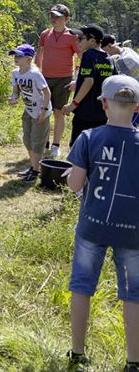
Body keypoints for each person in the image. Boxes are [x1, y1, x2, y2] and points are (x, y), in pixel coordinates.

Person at [65, 74, 139, 371]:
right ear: (137, 107)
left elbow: (75, 184)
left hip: (92, 226)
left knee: (82, 286)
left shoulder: (88, 137)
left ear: (104, 104)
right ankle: (133, 361)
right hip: (133, 231)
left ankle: (77, 352)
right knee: (133, 293)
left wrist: (73, 175)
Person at [36, 3, 82, 159]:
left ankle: (55, 146)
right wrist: (36, 73)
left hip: (64, 79)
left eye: (57, 16)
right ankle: (44, 143)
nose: (53, 18)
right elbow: (40, 53)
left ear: (67, 18)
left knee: (58, 112)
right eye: (52, 15)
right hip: (44, 78)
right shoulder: (45, 34)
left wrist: (77, 79)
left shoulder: (72, 36)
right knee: (44, 111)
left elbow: (81, 57)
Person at [7, 44, 51, 183]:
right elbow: (16, 91)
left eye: (19, 56)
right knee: (27, 140)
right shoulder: (15, 73)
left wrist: (43, 111)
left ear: (29, 59)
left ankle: (36, 171)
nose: (16, 58)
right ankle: (33, 166)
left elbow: (47, 93)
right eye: (15, 55)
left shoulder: (35, 74)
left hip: (41, 111)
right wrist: (13, 98)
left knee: (37, 142)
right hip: (29, 110)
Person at [64, 24, 114, 145]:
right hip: (102, 113)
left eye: (81, 38)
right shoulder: (109, 58)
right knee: (94, 147)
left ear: (92, 41)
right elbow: (112, 81)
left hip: (85, 113)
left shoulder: (88, 55)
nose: (77, 41)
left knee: (78, 148)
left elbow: (89, 81)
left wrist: (73, 104)